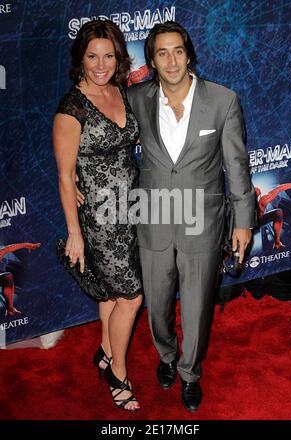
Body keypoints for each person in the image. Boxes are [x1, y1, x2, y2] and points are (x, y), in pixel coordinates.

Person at [76, 21, 256, 412]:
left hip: (202, 222)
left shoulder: (223, 101)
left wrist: (244, 220)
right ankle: (167, 356)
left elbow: (237, 165)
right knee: (156, 305)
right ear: (152, 61)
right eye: (161, 52)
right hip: (152, 219)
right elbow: (96, 129)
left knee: (196, 305)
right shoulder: (135, 98)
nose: (171, 60)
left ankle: (190, 373)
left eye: (178, 51)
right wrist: (74, 176)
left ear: (189, 54)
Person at [53, 19, 143, 412]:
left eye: (108, 55)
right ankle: (118, 374)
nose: (101, 64)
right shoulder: (71, 109)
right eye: (92, 56)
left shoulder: (121, 91)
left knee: (110, 291)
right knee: (131, 296)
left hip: (132, 208)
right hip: (101, 220)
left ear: (118, 58)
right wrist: (75, 232)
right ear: (81, 60)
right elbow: (65, 176)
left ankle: (106, 351)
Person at [255, 183, 291, 249]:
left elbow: (280, 188)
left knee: (278, 212)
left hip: (257, 221)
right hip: (243, 225)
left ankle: (277, 242)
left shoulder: (263, 200)